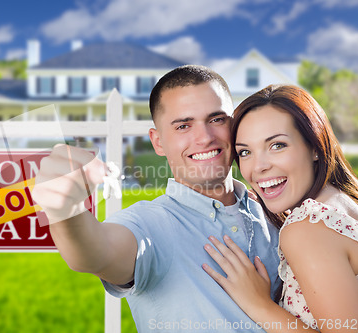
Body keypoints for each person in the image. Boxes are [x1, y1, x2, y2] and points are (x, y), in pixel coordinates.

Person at [33, 65, 282, 332]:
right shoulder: (149, 223)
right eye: (183, 126)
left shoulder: (273, 210)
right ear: (158, 142)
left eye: (217, 119)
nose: (205, 138)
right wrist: (67, 212)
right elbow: (95, 253)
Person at [202, 84, 358, 332]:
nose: (259, 167)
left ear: (315, 147)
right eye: (245, 152)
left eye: (277, 145)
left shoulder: (307, 229)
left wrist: (260, 305)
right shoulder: (344, 202)